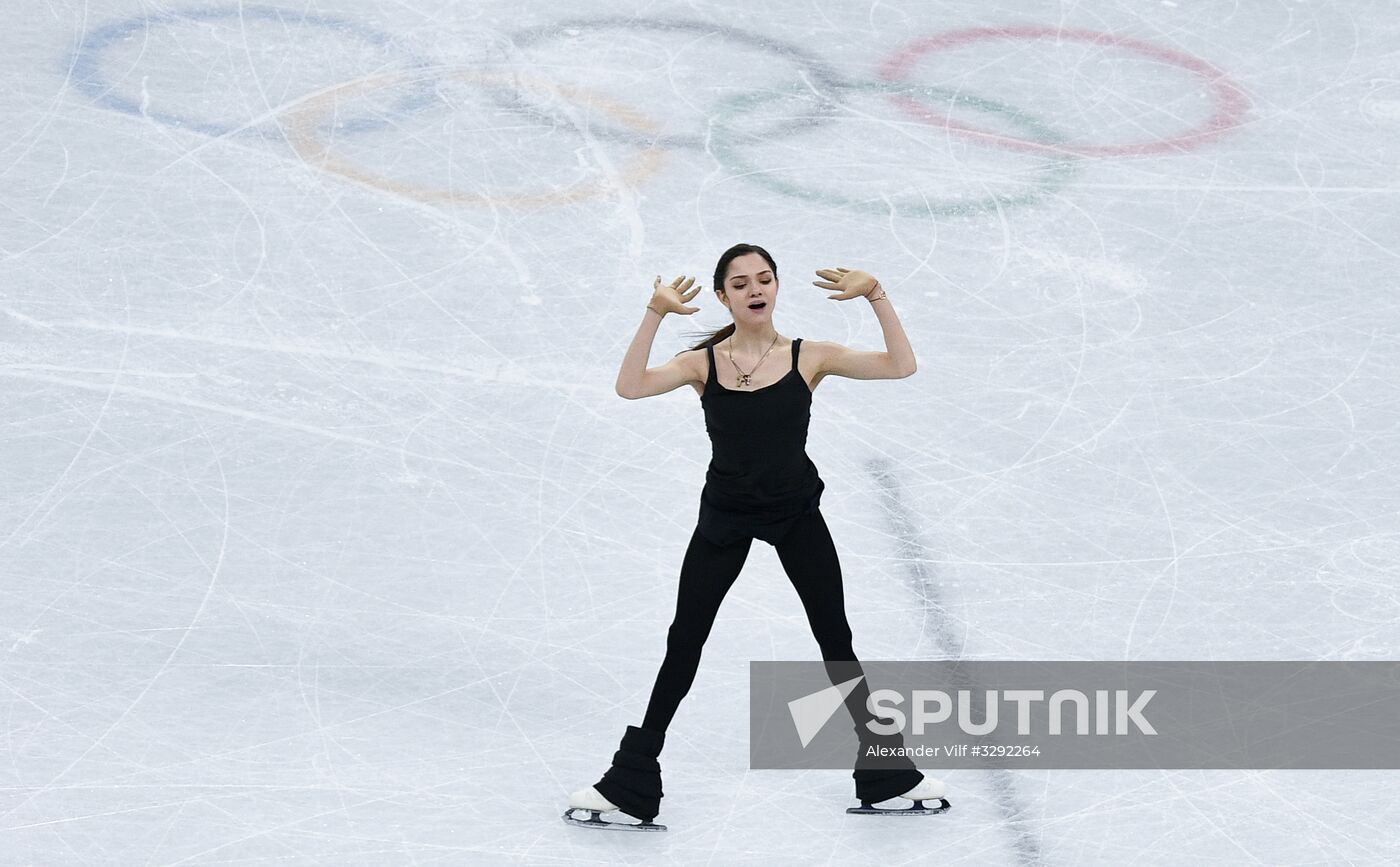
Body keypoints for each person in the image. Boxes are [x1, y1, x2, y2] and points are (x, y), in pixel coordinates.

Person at [563, 243, 949, 830]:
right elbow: (630, 387)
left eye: (764, 279)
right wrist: (655, 311)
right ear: (723, 296)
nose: (754, 290)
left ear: (775, 288)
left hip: (795, 514)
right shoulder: (704, 364)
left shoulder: (808, 356)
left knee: (835, 640)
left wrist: (876, 295)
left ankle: (886, 773)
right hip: (726, 517)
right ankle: (629, 781)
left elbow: (901, 366)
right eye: (740, 283)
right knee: (683, 643)